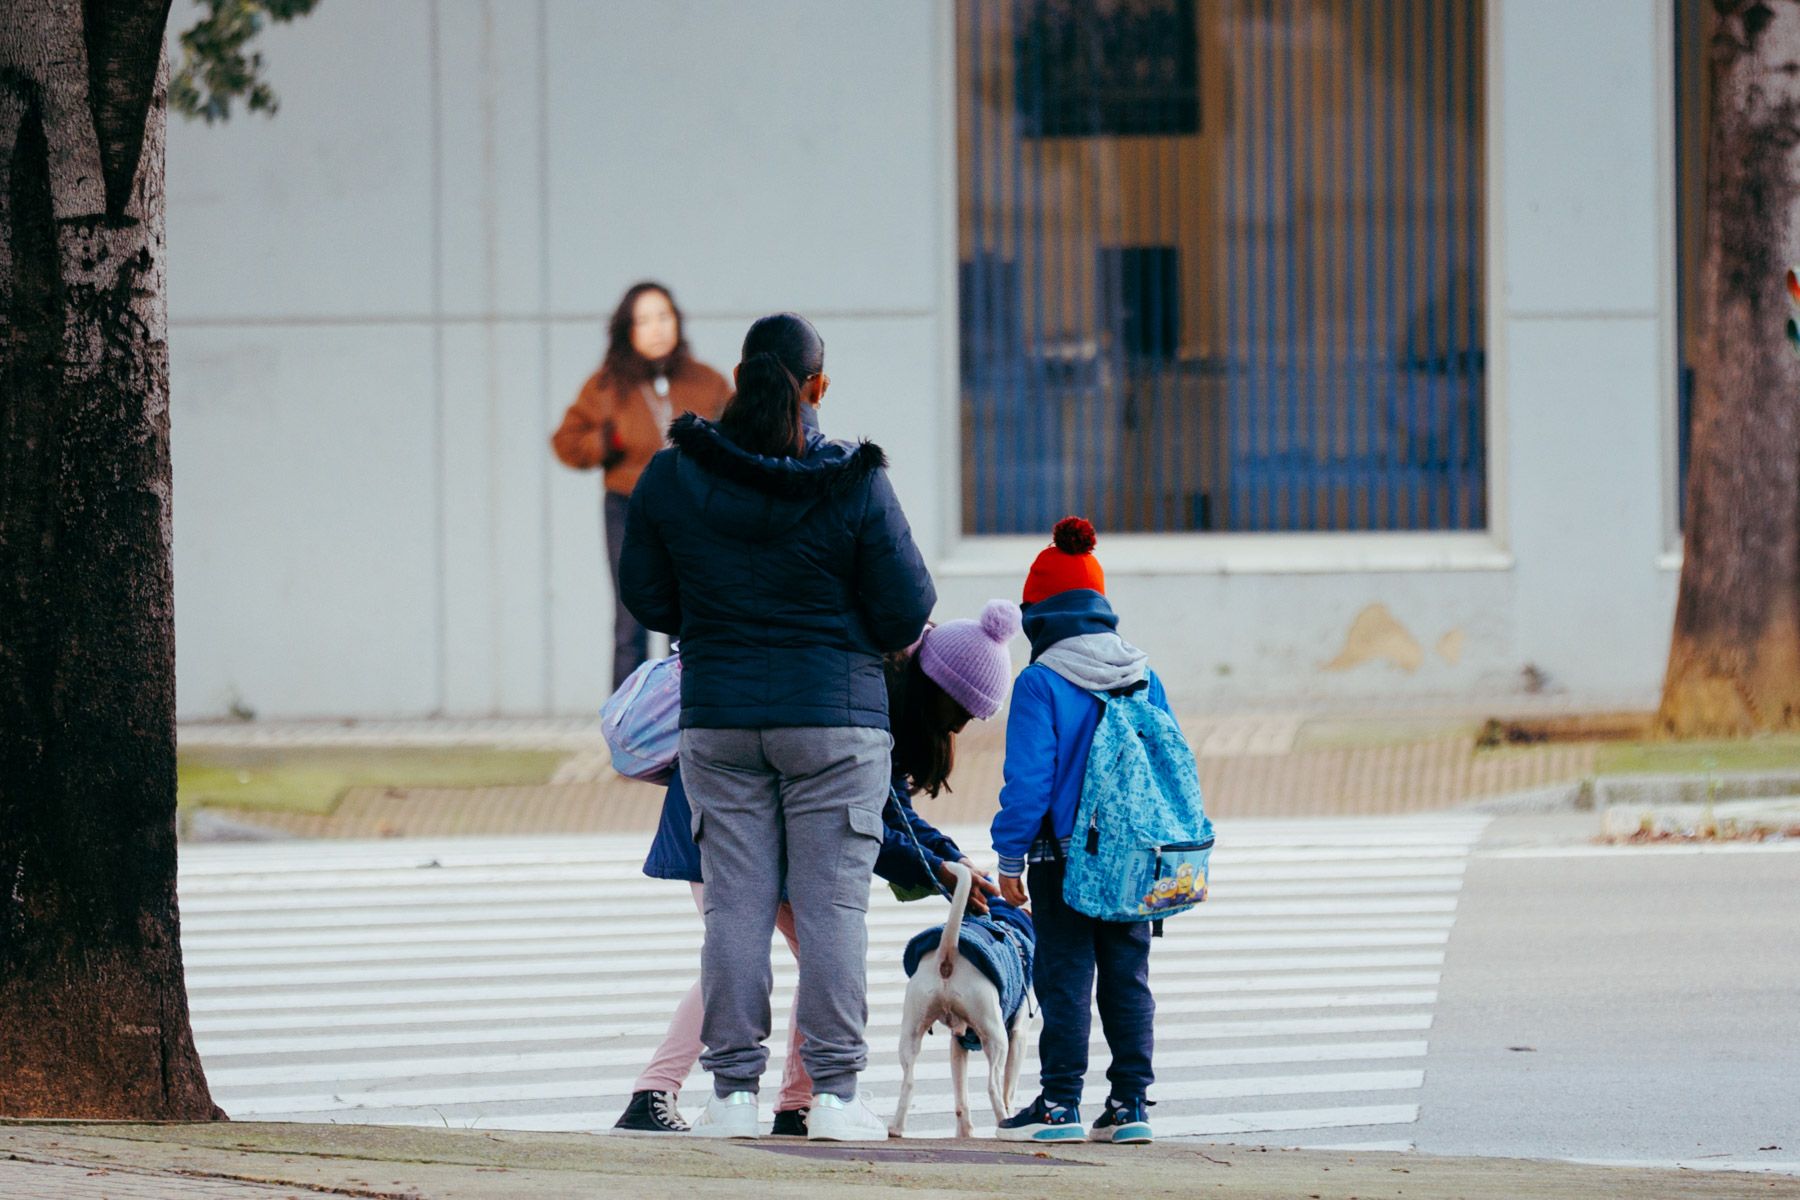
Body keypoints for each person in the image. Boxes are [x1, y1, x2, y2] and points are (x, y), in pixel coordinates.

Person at [618, 312, 937, 1141]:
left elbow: (648, 598)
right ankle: (833, 1097)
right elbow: (908, 608)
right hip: (835, 726)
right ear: (817, 386)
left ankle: (728, 1098)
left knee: (735, 909)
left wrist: (717, 614)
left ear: (740, 375)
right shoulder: (855, 482)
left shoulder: (672, 477)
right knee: (832, 909)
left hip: (720, 722)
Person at [613, 602, 1020, 1136]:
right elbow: (861, 822)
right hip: (724, 822)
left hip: (750, 824)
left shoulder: (884, 690)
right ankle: (658, 1092)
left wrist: (947, 859)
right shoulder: (869, 692)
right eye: (961, 712)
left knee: (791, 953)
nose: (962, 727)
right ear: (935, 688)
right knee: (748, 952)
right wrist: (937, 868)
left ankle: (793, 1102)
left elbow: (887, 808)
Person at [990, 517, 1169, 1145]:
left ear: (1036, 612)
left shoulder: (1041, 682)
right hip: (1134, 856)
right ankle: (1130, 1107)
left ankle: (1060, 1105)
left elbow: (1030, 784)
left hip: (1061, 858)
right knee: (1128, 975)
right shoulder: (1143, 672)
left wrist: (1008, 856)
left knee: (1064, 975)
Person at [552, 282, 731, 689]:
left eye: (664, 316)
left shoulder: (708, 382)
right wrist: (608, 441)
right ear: (628, 329)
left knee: (690, 620)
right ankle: (629, 734)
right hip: (628, 509)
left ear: (677, 321)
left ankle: (692, 731)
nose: (656, 328)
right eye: (644, 320)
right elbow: (566, 442)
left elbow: (743, 434)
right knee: (630, 621)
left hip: (693, 510)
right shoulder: (605, 386)